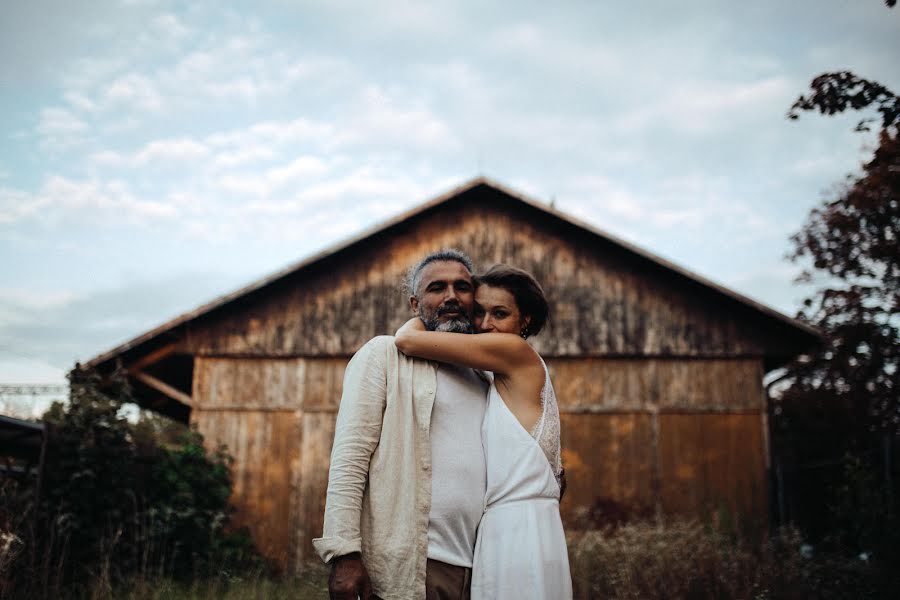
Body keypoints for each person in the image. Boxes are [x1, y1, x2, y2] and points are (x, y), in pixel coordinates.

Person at [313, 249, 489, 600]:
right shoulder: (384, 355)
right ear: (414, 304)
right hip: (411, 566)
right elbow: (350, 457)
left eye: (462, 287)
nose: (451, 296)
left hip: (484, 566)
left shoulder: (487, 375)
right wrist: (344, 553)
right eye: (437, 288)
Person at [394, 264, 572, 600]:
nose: (486, 323)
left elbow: (406, 340)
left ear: (526, 321)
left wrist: (423, 311)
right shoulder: (497, 375)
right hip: (520, 524)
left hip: (516, 527)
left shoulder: (514, 352)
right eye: (478, 312)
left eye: (500, 313)